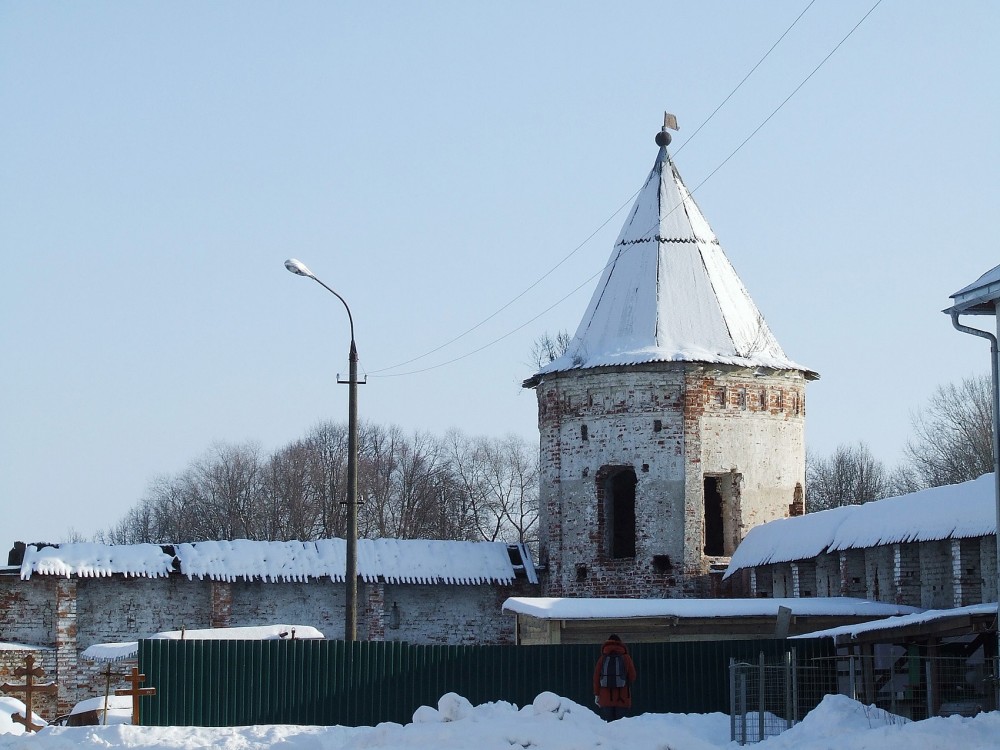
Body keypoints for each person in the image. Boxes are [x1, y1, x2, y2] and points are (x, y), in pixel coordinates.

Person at [592, 633, 637, 721]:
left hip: (605, 698)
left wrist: (597, 694)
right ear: (620, 643)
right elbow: (633, 676)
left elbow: (596, 677)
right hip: (622, 698)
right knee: (621, 728)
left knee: (608, 728)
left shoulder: (603, 658)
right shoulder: (626, 658)